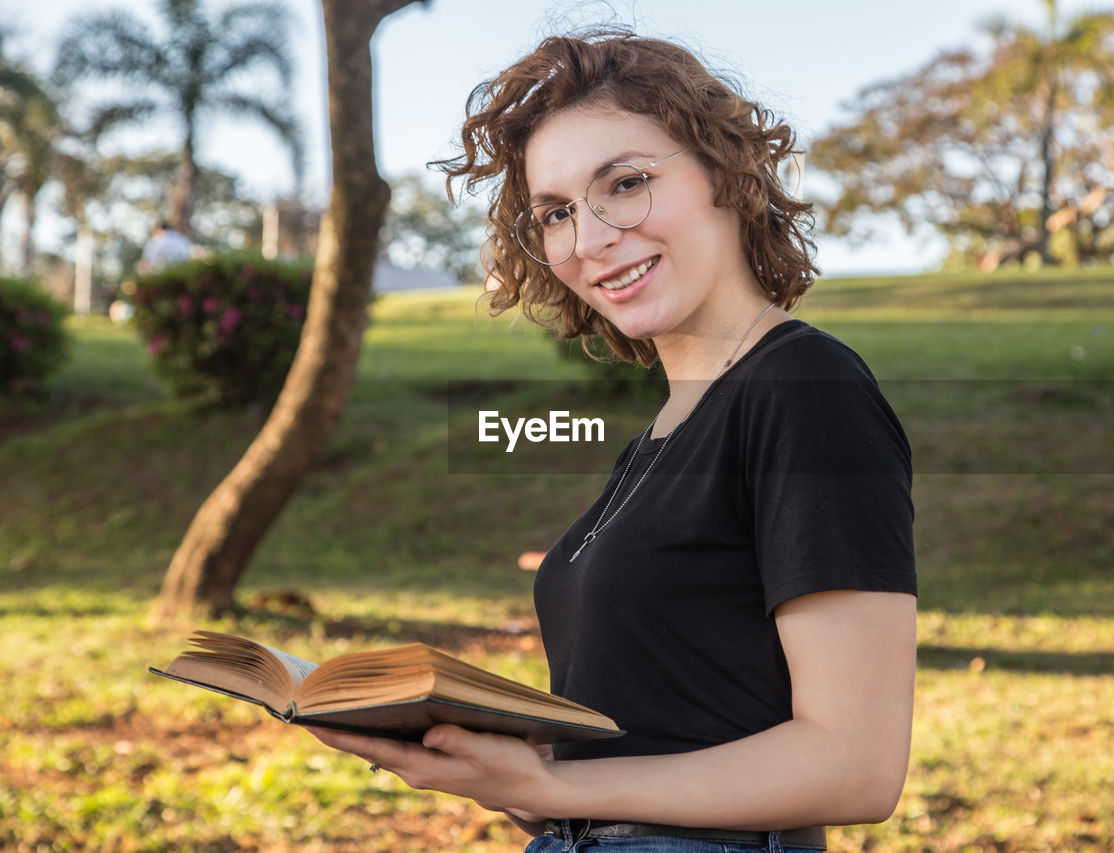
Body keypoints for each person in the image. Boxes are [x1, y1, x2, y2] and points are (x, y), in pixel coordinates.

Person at [306, 30, 917, 852]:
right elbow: (666, 736)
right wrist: (502, 769)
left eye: (625, 184)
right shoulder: (664, 434)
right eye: (555, 213)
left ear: (726, 174)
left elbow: (855, 764)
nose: (588, 240)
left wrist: (554, 783)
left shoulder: (806, 392)